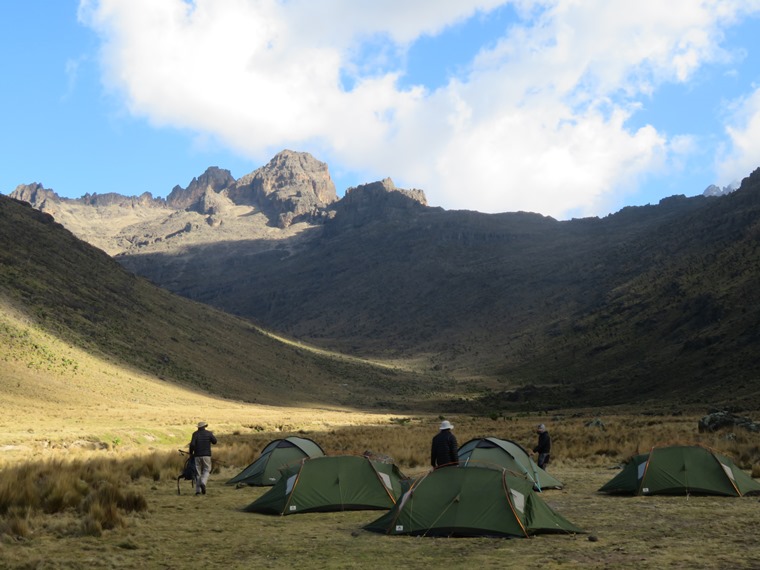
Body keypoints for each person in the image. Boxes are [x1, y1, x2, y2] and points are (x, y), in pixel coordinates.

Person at [189, 421, 217, 495]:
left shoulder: (195, 434)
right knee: (207, 470)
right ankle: (203, 483)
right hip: (206, 455)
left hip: (197, 455)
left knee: (198, 473)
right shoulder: (209, 433)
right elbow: (215, 441)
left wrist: (191, 453)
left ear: (198, 427)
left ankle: (198, 491)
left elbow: (192, 445)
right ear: (205, 426)